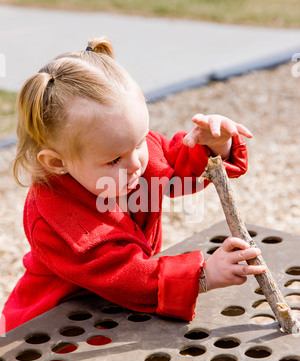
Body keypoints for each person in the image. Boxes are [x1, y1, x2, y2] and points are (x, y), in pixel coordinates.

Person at [1, 37, 266, 334]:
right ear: (57, 163)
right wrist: (203, 274)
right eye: (114, 160)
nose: (136, 164)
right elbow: (124, 276)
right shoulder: (56, 219)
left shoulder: (127, 153)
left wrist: (215, 146)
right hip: (54, 329)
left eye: (139, 141)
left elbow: (173, 169)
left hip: (110, 312)